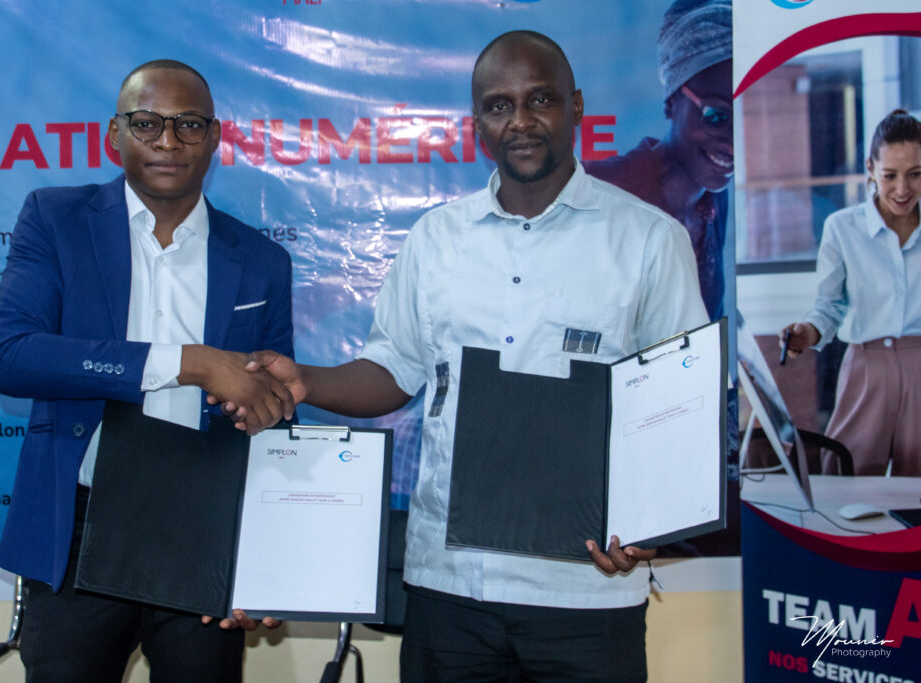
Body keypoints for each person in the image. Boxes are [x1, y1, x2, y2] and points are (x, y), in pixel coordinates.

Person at [224, 31, 707, 681]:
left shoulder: (648, 240)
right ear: (477, 121)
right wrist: (304, 380)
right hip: (449, 591)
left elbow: (677, 405)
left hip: (586, 591)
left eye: (540, 100)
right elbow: (393, 370)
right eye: (499, 105)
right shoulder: (435, 239)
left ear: (576, 106)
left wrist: (650, 525)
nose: (521, 120)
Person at [0, 59, 294, 682]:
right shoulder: (56, 219)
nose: (168, 141)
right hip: (78, 526)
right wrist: (190, 363)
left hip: (204, 529)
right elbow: (14, 355)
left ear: (214, 136)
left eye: (188, 124)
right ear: (115, 133)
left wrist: (266, 554)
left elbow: (275, 413)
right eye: (147, 122)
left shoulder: (261, 260)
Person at [780, 109, 921, 477]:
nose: (902, 189)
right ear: (870, 169)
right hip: (865, 368)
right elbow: (828, 306)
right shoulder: (842, 228)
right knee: (845, 475)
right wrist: (807, 333)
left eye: (915, 174)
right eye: (890, 175)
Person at [584, 0, 732, 321]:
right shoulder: (598, 191)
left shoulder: (715, 201)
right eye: (716, 116)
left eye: (744, 118)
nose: (733, 143)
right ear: (671, 101)